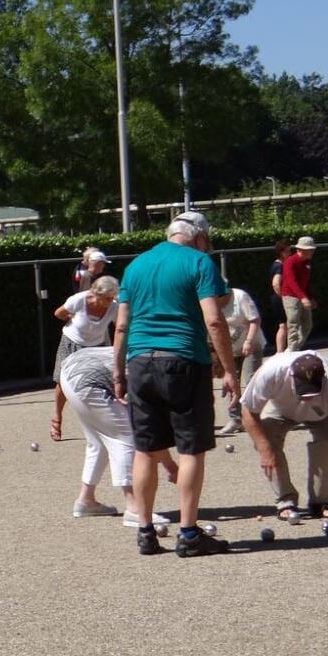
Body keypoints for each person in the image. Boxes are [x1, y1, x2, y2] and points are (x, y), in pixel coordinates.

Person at [112, 211, 239, 557]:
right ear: (199, 237)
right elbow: (214, 319)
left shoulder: (135, 265)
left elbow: (121, 326)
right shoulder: (198, 262)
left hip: (139, 361)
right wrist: (229, 369)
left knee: (144, 448)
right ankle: (188, 533)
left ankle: (145, 532)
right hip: (183, 359)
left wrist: (118, 372)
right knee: (190, 448)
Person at [59, 345, 176, 526]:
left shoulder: (157, 355)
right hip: (87, 378)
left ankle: (86, 500)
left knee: (97, 441)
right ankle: (134, 508)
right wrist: (170, 466)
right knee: (126, 436)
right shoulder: (161, 372)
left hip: (71, 371)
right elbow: (149, 424)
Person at [240, 351, 328, 522]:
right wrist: (265, 450)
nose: (308, 399)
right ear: (290, 375)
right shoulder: (272, 371)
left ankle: (320, 502)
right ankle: (286, 501)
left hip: (321, 414)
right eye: (303, 393)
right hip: (280, 408)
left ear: (323, 379)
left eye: (313, 394)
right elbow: (248, 411)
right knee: (266, 440)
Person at [49, 275, 119, 442]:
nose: (111, 301)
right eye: (108, 298)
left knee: (101, 385)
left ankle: (102, 425)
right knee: (62, 382)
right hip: (72, 342)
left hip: (96, 347)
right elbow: (58, 313)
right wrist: (72, 318)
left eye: (113, 298)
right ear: (97, 294)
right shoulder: (79, 300)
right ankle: (57, 419)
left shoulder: (114, 307)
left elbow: (119, 328)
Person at [216, 286, 266, 436]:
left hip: (251, 345)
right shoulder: (211, 302)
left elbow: (255, 320)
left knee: (251, 379)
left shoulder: (240, 296)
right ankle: (235, 419)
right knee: (231, 381)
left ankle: (254, 417)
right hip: (230, 349)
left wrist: (249, 341)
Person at [281, 236, 317, 351]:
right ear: (301, 250)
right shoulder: (290, 262)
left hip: (302, 296)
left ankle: (295, 348)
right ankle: (291, 349)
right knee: (293, 321)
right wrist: (303, 298)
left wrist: (310, 297)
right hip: (290, 296)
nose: (312, 252)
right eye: (309, 249)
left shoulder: (307, 262)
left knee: (307, 325)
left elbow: (306, 282)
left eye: (312, 249)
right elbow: (292, 282)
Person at [269, 239, 292, 353]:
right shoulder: (279, 266)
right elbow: (275, 283)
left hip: (278, 298)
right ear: (281, 252)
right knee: (283, 325)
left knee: (284, 325)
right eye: (287, 251)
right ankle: (280, 351)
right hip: (280, 298)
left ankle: (282, 351)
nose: (290, 253)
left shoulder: (279, 265)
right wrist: (283, 296)